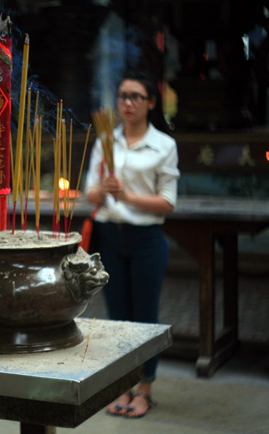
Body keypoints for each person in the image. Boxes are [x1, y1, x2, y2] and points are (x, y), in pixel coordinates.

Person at [84, 69, 179, 418]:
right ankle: (121, 386)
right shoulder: (106, 140)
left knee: (145, 319)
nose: (127, 103)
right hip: (110, 236)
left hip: (146, 239)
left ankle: (145, 389)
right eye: (122, 96)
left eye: (135, 96)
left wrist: (127, 195)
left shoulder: (163, 145)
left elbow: (167, 202)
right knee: (118, 318)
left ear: (151, 103)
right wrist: (104, 191)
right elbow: (89, 192)